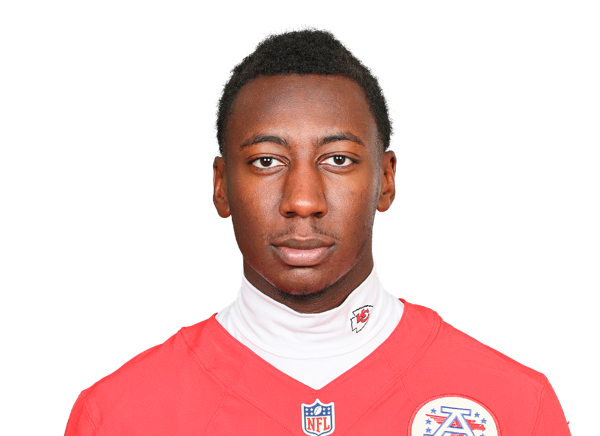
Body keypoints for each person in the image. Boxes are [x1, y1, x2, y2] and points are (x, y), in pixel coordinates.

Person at [64, 25, 570, 435]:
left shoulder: (514, 404)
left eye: (338, 159)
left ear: (386, 180)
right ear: (220, 186)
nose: (302, 201)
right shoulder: (118, 416)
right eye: (266, 161)